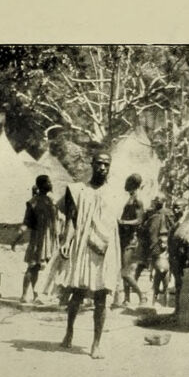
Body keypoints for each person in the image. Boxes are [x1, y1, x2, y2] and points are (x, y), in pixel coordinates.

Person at [58, 149, 121, 358]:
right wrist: (66, 242)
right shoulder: (78, 191)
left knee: (102, 296)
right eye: (99, 163)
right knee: (77, 292)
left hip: (105, 248)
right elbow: (71, 220)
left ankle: (96, 343)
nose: (103, 167)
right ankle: (69, 332)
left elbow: (114, 224)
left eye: (107, 164)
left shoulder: (114, 193)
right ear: (92, 164)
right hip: (84, 246)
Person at [22, 175, 57, 303]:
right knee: (32, 267)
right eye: (48, 182)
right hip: (37, 238)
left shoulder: (50, 201)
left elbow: (55, 221)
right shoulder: (33, 202)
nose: (51, 183)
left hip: (48, 237)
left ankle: (36, 294)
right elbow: (26, 222)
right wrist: (17, 237)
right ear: (42, 185)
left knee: (38, 268)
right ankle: (24, 294)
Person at [115, 173, 145, 307]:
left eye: (127, 182)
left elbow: (139, 220)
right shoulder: (131, 198)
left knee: (125, 272)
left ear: (132, 184)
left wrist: (122, 222)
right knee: (123, 269)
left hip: (130, 240)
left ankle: (141, 295)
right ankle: (126, 299)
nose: (125, 184)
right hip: (124, 238)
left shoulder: (137, 200)